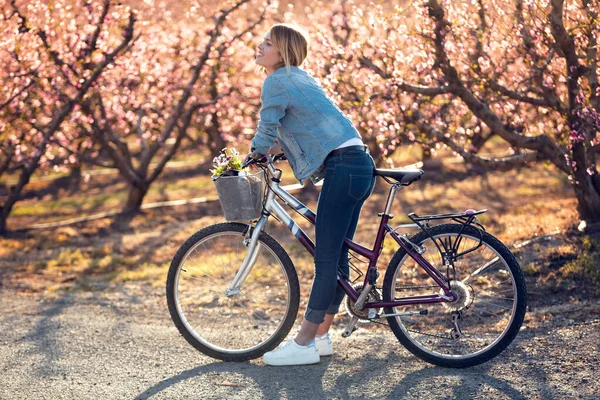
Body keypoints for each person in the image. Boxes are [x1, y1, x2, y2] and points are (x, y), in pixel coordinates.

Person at [245, 23, 376, 366]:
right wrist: (277, 152)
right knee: (338, 255)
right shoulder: (302, 78)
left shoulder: (276, 80)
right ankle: (321, 336)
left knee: (326, 259)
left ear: (282, 51)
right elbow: (308, 129)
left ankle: (303, 344)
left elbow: (267, 127)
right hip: (358, 164)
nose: (259, 46)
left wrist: (254, 154)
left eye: (267, 43)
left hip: (343, 168)